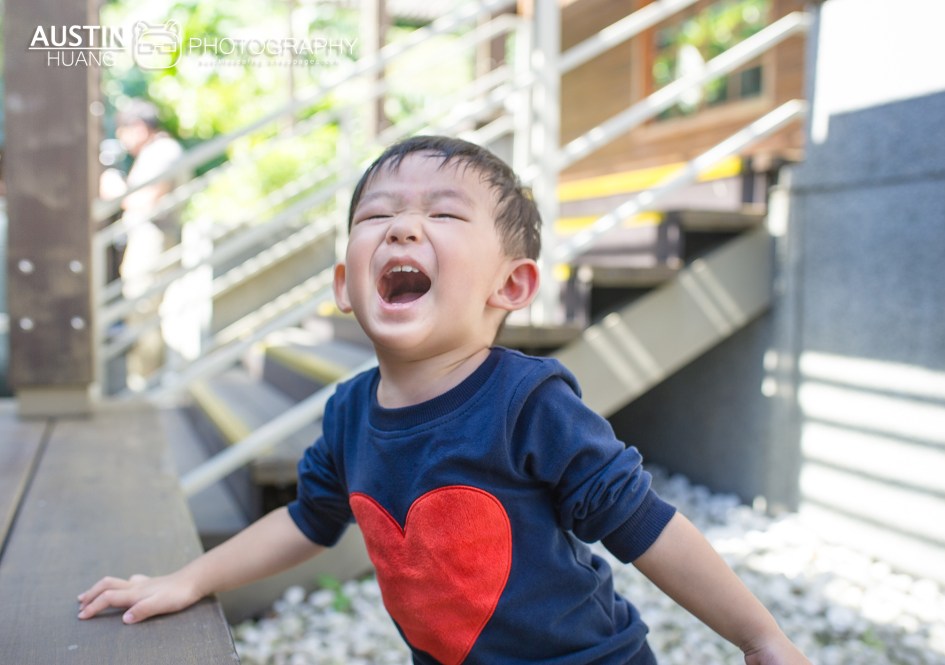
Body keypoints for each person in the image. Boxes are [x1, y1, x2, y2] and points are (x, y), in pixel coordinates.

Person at [78, 136, 809, 664]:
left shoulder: (529, 401)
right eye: (378, 215)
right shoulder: (348, 414)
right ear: (344, 286)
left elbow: (646, 525)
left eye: (445, 215)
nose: (403, 225)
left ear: (511, 286)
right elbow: (306, 521)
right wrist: (188, 577)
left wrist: (760, 636)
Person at [100, 99, 185, 389]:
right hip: (148, 242)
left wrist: (117, 191)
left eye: (124, 132)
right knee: (140, 313)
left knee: (144, 311)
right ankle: (144, 383)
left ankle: (146, 385)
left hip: (153, 243)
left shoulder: (163, 151)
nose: (123, 141)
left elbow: (146, 198)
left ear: (137, 127)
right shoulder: (158, 151)